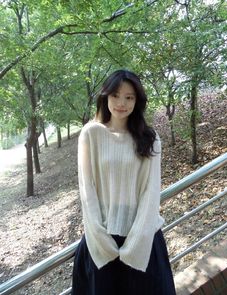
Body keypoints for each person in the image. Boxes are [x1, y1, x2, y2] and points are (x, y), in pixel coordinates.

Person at [71, 69, 176, 295]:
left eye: (129, 97)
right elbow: (86, 190)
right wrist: (101, 240)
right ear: (106, 96)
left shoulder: (149, 137)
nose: (122, 103)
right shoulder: (91, 134)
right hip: (101, 242)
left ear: (137, 101)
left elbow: (151, 192)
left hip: (144, 240)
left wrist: (136, 243)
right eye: (116, 95)